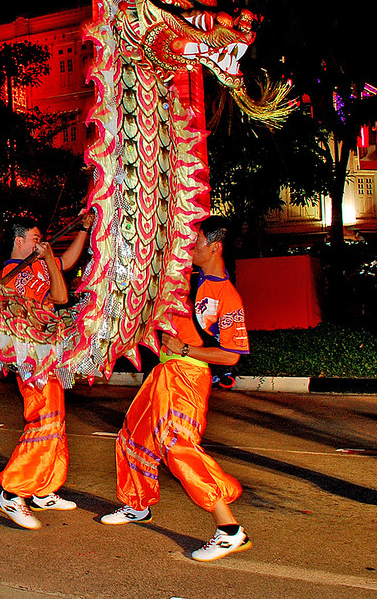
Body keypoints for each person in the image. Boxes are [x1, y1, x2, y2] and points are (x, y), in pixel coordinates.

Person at [101, 217, 251, 562]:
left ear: (215, 247)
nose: (191, 246)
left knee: (176, 442)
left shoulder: (226, 296)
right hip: (164, 372)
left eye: (197, 241)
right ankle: (136, 504)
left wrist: (186, 350)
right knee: (133, 436)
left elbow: (230, 355)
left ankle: (229, 529)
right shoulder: (187, 281)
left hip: (188, 376)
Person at [0, 214, 92, 530]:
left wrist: (84, 229)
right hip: (33, 358)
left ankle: (44, 488)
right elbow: (61, 296)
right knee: (43, 422)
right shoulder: (15, 273)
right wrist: (49, 259)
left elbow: (66, 261)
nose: (41, 245)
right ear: (19, 240)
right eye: (36, 240)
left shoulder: (36, 265)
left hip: (50, 353)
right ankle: (13, 491)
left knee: (57, 421)